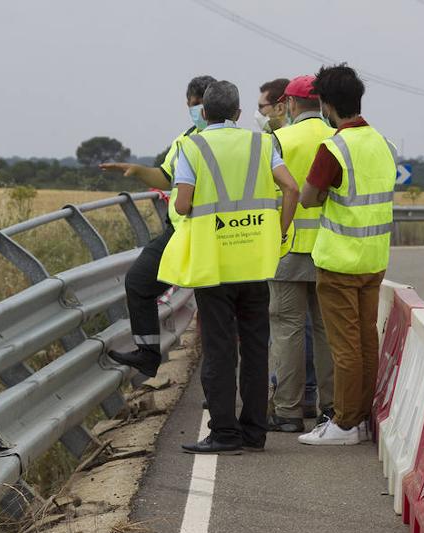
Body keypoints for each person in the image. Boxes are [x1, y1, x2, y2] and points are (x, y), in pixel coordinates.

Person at [158, 80, 299, 454]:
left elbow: (184, 203)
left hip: (213, 263)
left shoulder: (193, 145)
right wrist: (279, 233)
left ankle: (224, 434)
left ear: (204, 113)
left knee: (220, 350)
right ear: (238, 114)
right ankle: (254, 433)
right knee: (256, 348)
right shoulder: (262, 142)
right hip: (255, 261)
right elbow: (292, 188)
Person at [297, 64, 396, 447]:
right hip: (373, 258)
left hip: (339, 261)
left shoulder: (334, 147)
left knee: (344, 348)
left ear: (325, 104)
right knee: (367, 342)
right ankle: (364, 417)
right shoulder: (383, 143)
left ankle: (344, 423)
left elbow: (308, 197)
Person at [99, 74, 217, 377]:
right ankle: (148, 353)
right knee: (139, 282)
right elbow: (166, 177)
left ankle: (219, 391)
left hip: (211, 233)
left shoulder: (222, 140)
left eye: (204, 103)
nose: (199, 109)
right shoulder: (184, 139)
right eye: (195, 104)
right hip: (180, 231)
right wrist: (138, 171)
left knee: (218, 316)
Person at [265, 75, 337, 433]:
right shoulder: (337, 138)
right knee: (326, 331)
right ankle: (332, 409)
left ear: (290, 104)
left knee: (288, 330)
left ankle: (288, 412)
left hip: (288, 247)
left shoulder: (278, 138)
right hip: (330, 249)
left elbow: (268, 192)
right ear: (322, 104)